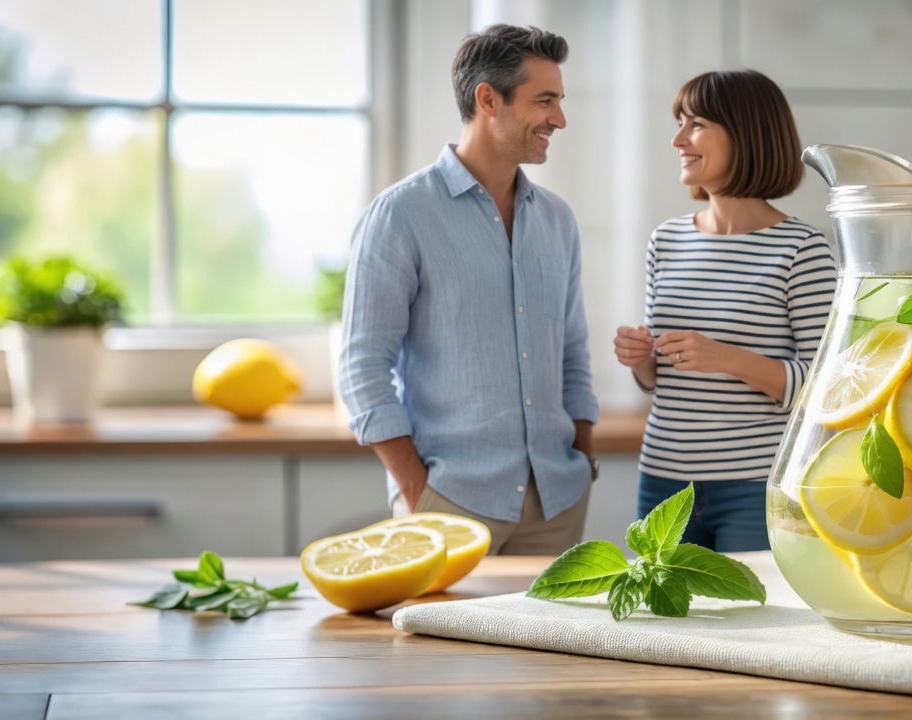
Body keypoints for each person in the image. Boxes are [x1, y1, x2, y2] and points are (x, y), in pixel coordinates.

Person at [339, 25, 599, 556]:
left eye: (559, 101)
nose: (559, 119)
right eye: (544, 101)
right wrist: (417, 492)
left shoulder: (557, 220)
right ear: (488, 99)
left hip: (557, 504)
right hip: (448, 502)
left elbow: (572, 352)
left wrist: (583, 456)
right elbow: (361, 366)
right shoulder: (400, 215)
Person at [612, 70, 837, 552]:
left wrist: (727, 357)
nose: (678, 139)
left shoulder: (802, 250)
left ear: (746, 134)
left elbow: (827, 390)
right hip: (663, 479)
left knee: (750, 604)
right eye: (679, 123)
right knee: (659, 603)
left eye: (696, 124)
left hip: (757, 484)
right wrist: (641, 360)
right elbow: (659, 378)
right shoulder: (666, 240)